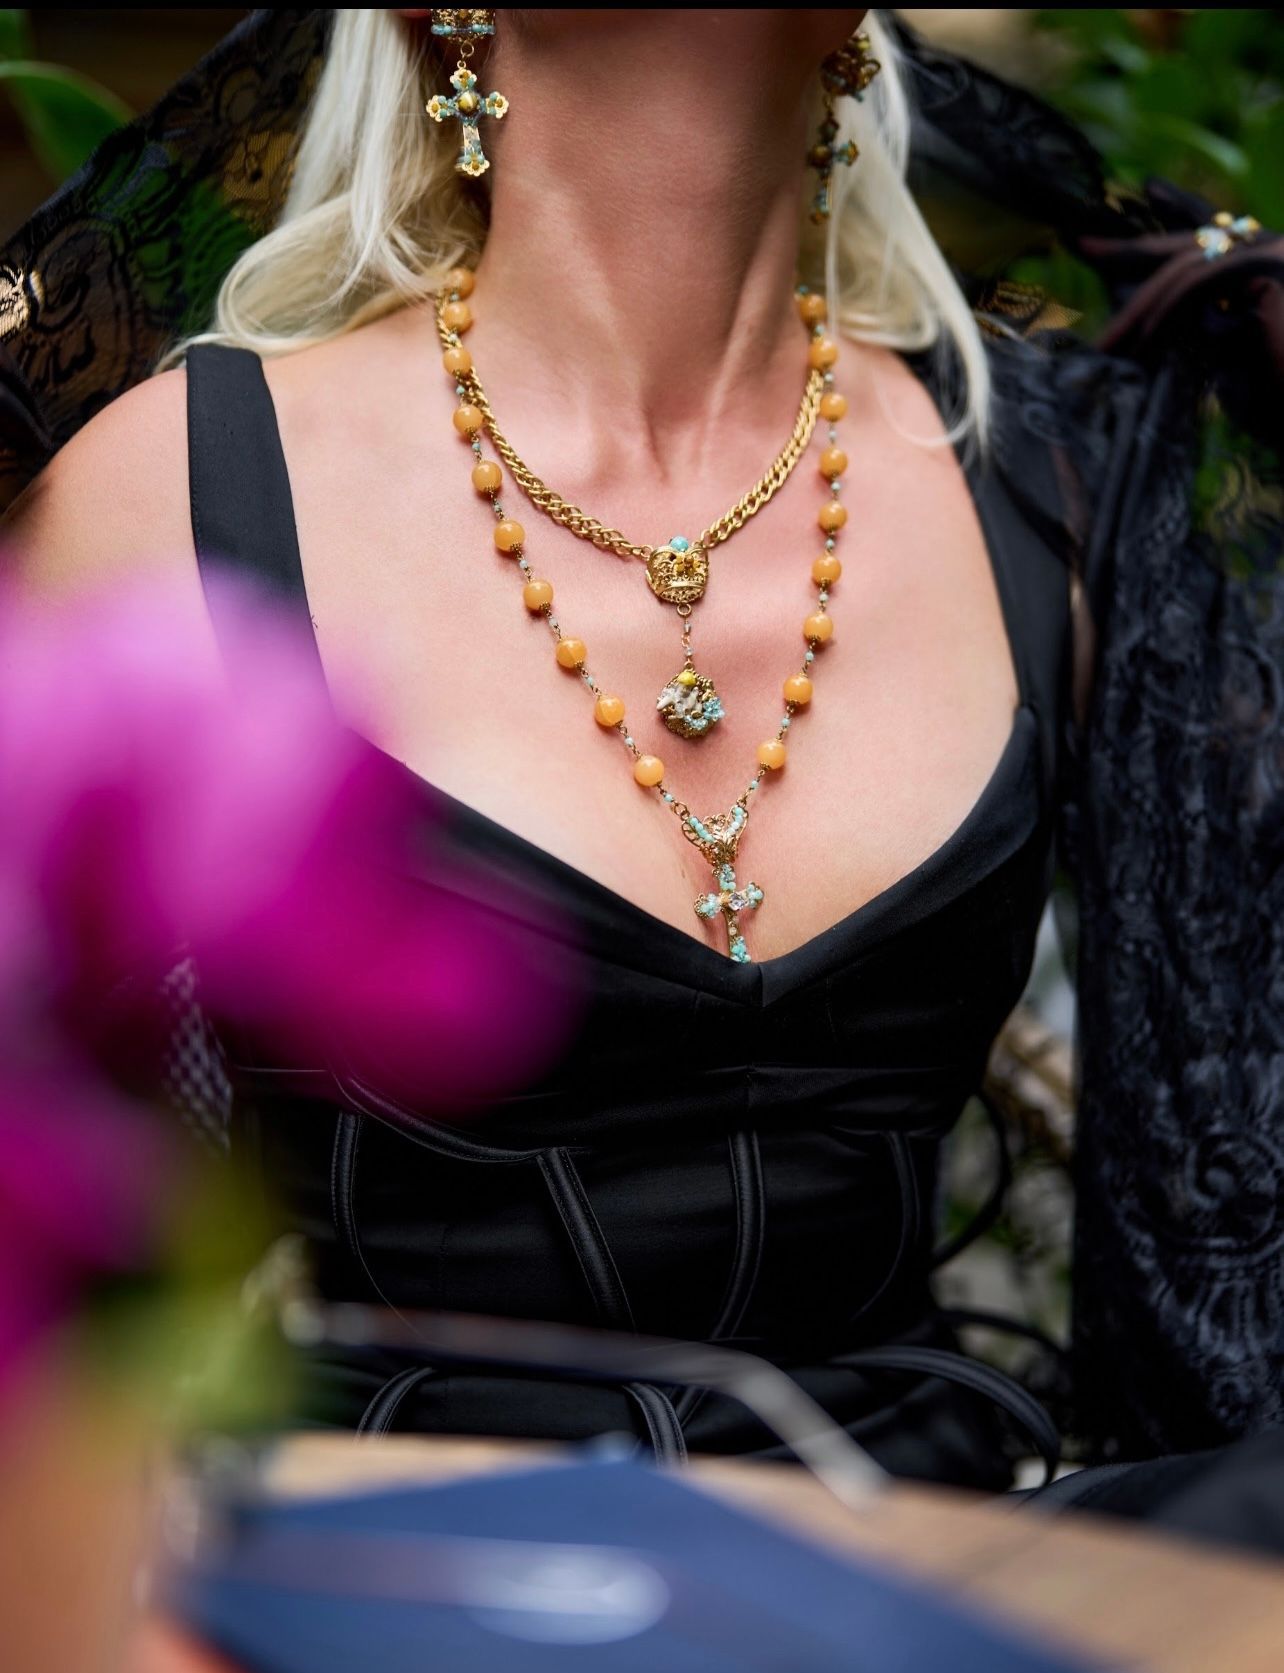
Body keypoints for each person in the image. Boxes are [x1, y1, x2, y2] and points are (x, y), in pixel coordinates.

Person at [3, 10, 1282, 1515]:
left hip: (948, 1566)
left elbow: (1220, 1209)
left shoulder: (1054, 481)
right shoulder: (163, 500)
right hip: (397, 1578)